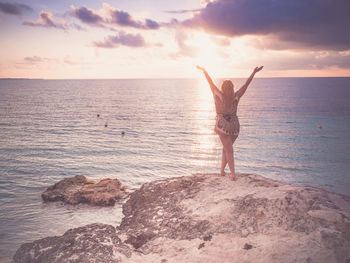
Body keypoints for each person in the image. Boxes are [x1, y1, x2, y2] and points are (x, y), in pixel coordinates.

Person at [197, 65, 263, 180]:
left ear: (223, 88)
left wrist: (205, 72)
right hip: (234, 125)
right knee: (227, 148)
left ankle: (230, 173)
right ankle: (224, 171)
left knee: (227, 149)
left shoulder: (219, 94)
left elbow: (210, 83)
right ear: (232, 88)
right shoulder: (236, 95)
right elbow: (246, 84)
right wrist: (254, 72)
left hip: (222, 124)